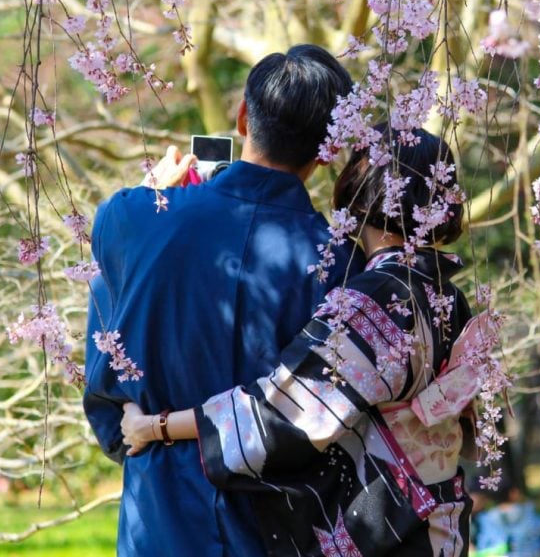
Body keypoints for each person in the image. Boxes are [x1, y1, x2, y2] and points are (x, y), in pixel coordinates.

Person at [122, 125, 482, 556]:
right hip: (437, 516)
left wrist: (155, 426)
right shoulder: (444, 293)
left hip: (397, 526)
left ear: (361, 184)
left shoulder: (380, 296)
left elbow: (287, 413)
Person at [83, 45, 359, 557]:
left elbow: (107, 355)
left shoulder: (133, 219)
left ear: (241, 119)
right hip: (282, 518)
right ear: (328, 150)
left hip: (161, 509)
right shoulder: (339, 259)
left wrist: (152, 197)